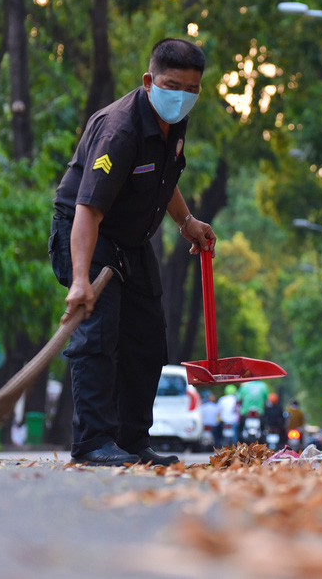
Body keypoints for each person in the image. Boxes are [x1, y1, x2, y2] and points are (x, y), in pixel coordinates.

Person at [49, 38, 217, 466]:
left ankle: (131, 440)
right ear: (149, 81)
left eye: (192, 89)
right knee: (99, 336)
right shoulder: (119, 129)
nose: (181, 96)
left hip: (132, 242)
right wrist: (81, 279)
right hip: (87, 234)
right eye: (171, 84)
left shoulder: (173, 123)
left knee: (147, 340)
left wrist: (186, 221)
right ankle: (92, 442)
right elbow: (87, 210)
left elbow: (162, 176)